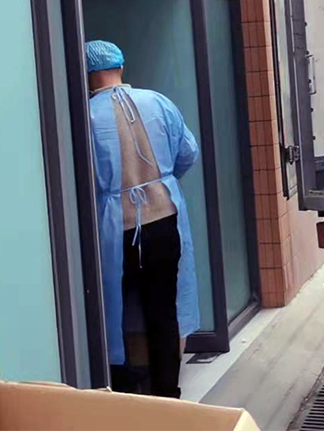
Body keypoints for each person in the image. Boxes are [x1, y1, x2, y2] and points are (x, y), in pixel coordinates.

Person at [86, 40, 201, 398]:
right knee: (163, 308)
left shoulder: (87, 115)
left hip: (115, 227)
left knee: (113, 309)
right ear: (121, 66)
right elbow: (188, 152)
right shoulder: (157, 102)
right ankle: (166, 392)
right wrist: (160, 179)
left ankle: (121, 387)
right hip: (163, 217)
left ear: (86, 73)